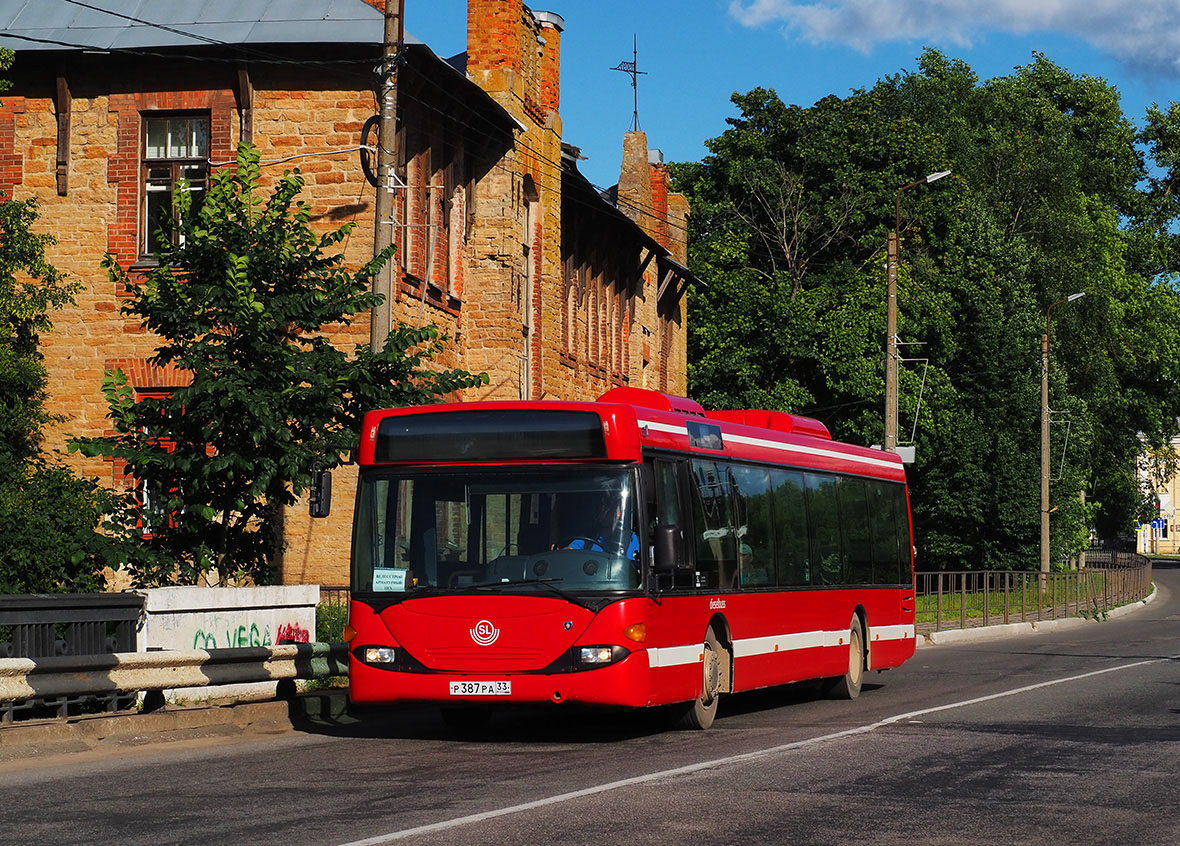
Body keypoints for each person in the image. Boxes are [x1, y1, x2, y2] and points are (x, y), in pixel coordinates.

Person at [564, 496, 639, 561]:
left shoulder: (630, 539)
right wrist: (559, 553)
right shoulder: (588, 539)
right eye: (600, 506)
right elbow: (568, 553)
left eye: (609, 507)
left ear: (618, 513)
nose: (603, 510)